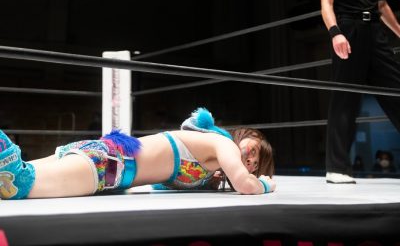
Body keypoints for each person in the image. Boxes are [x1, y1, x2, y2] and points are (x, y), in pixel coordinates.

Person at [0, 108, 275, 200]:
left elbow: (163, 180)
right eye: (254, 149)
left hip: (106, 160)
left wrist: (210, 182)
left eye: (256, 163)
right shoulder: (222, 144)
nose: (251, 159)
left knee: (10, 180)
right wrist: (264, 183)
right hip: (109, 165)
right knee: (18, 182)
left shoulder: (208, 162)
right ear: (241, 135)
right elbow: (244, 184)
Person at [318, 0, 400, 184]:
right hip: (347, 31)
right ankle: (337, 168)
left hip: (375, 31)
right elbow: (326, 4)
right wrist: (335, 33)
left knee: (395, 90)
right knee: (345, 99)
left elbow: (382, 4)